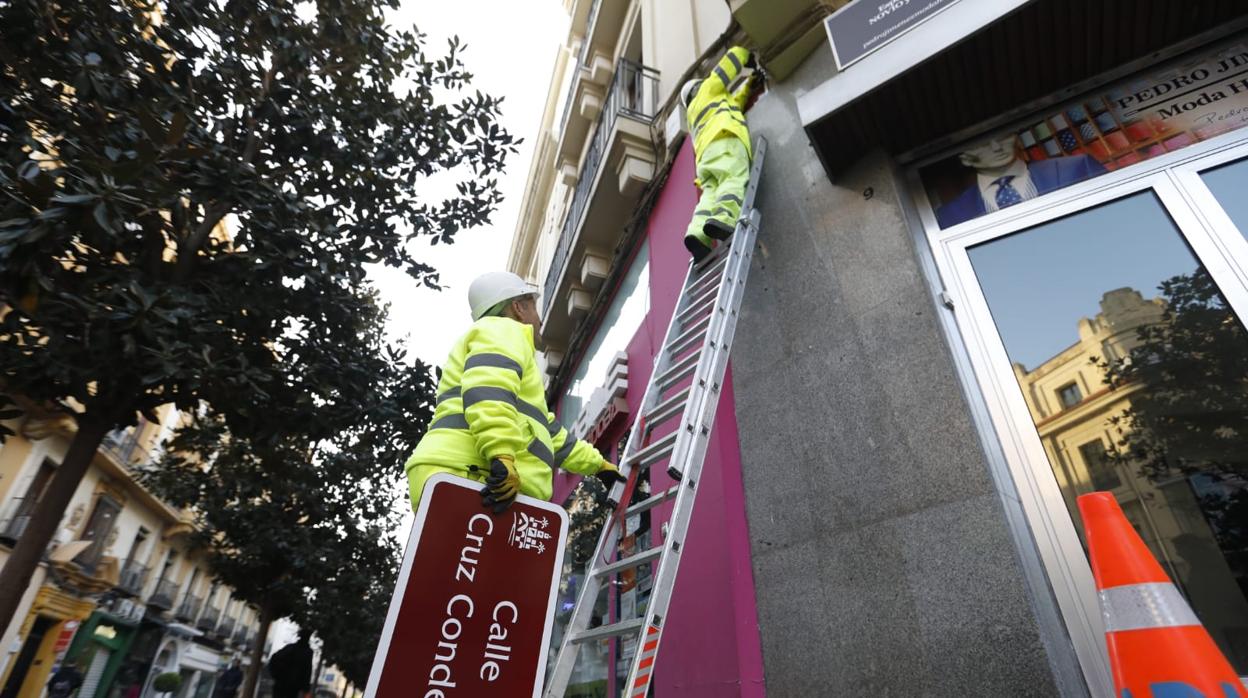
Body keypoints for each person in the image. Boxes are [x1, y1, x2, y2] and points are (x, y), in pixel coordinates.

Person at [405, 271, 624, 511]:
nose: (539, 320)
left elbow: (549, 435)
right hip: (475, 474)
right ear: (519, 308)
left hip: (459, 471)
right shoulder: (506, 331)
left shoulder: (495, 340)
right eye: (535, 308)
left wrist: (598, 465)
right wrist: (502, 456)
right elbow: (490, 389)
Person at [679, 46, 758, 262]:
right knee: (732, 178)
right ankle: (724, 218)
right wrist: (746, 54)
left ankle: (698, 235)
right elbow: (729, 62)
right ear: (698, 86)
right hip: (725, 141)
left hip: (705, 159)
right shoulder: (709, 89)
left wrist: (750, 85)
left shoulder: (693, 116)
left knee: (710, 196)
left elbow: (733, 105)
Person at [934, 134, 1107, 228]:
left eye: (1002, 136)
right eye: (981, 144)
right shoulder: (951, 215)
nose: (996, 147)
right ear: (965, 159)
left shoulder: (1077, 167)